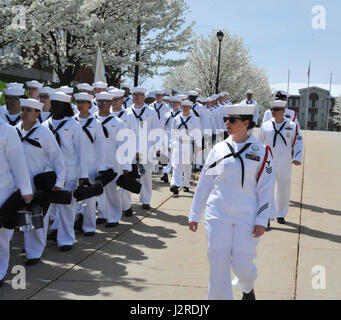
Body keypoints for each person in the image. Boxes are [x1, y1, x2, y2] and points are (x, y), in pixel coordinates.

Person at [188, 104, 275, 300]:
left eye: (232, 120)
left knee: (242, 263)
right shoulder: (218, 149)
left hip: (247, 215)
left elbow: (267, 188)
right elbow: (204, 183)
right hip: (218, 213)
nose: (227, 123)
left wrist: (262, 219)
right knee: (217, 261)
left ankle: (246, 286)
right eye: (226, 119)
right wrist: (195, 214)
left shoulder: (262, 151)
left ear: (246, 123)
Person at [15, 98, 65, 265]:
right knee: (18, 216)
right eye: (23, 109)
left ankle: (34, 252)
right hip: (14, 182)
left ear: (37, 113)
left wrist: (60, 180)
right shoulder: (14, 131)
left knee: (36, 217)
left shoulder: (44, 133)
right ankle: (28, 246)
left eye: (28, 109)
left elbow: (57, 157)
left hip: (36, 182)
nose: (24, 112)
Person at [43, 91, 88, 251]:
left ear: (65, 107)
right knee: (46, 209)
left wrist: (83, 176)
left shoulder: (74, 125)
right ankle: (42, 241)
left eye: (58, 105)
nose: (54, 107)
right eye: (52, 104)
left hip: (69, 173)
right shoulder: (45, 125)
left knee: (67, 208)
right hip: (48, 173)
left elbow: (81, 152)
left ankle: (66, 239)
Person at [259, 100, 303, 225]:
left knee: (284, 188)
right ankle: (266, 216)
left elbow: (299, 141)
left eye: (276, 110)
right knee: (267, 188)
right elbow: (260, 143)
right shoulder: (266, 125)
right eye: (272, 109)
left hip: (285, 161)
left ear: (283, 111)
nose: (273, 112)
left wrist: (297, 157)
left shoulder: (292, 125)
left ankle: (281, 214)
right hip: (269, 162)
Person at [0, 116, 33, 287]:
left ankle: (0, 271)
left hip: (3, 190)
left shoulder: (7, 131)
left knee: (2, 237)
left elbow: (19, 164)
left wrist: (26, 191)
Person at [94, 92, 130, 227]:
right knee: (97, 191)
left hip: (112, 162)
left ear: (110, 104)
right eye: (99, 102)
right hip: (95, 161)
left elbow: (124, 146)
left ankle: (114, 217)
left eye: (104, 102)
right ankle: (102, 214)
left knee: (111, 190)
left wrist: (126, 166)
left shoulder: (118, 123)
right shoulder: (92, 120)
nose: (101, 105)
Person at [73, 93, 106, 235]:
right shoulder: (71, 121)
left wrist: (101, 168)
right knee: (73, 197)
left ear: (90, 105)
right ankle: (72, 224)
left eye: (83, 102)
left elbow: (100, 147)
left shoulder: (96, 123)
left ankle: (89, 226)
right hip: (74, 165)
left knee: (90, 199)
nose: (80, 105)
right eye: (78, 102)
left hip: (91, 164)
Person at [130, 87, 160, 209]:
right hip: (130, 146)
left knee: (146, 175)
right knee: (128, 174)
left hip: (146, 147)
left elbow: (156, 130)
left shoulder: (151, 112)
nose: (136, 97)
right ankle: (127, 202)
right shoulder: (127, 111)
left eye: (139, 95)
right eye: (135, 94)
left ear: (144, 97)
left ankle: (145, 199)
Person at [109, 89, 137, 217]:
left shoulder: (129, 115)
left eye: (117, 100)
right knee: (109, 183)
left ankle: (127, 206)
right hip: (108, 153)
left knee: (124, 181)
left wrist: (135, 152)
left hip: (125, 152)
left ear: (122, 100)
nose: (114, 102)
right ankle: (112, 209)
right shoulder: (105, 114)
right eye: (112, 100)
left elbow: (135, 134)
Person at [170, 100, 201, 194]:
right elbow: (173, 132)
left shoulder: (195, 119)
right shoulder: (177, 118)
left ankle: (186, 184)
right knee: (176, 165)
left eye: (187, 107)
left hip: (188, 144)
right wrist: (171, 144)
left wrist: (198, 146)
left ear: (190, 108)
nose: (185, 108)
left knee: (187, 165)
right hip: (178, 143)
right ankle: (175, 184)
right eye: (183, 106)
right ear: (181, 107)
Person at [160, 96, 182, 183]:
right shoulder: (167, 114)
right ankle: (166, 173)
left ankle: (173, 175)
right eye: (173, 103)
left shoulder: (182, 114)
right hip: (168, 139)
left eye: (176, 103)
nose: (174, 104)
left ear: (180, 104)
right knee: (168, 157)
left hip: (178, 140)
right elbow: (163, 127)